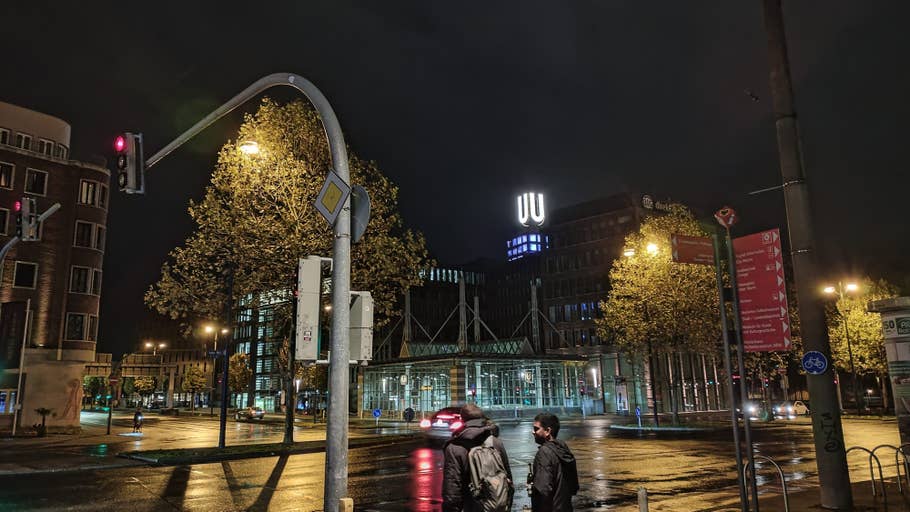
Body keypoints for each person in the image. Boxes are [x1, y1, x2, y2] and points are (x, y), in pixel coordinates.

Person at [442, 404, 513, 512]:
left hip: (471, 506)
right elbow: (508, 478)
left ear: (462, 420)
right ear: (482, 418)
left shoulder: (454, 448)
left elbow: (452, 490)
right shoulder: (495, 442)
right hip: (496, 505)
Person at [530, 412, 579, 512]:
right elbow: (574, 486)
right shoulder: (562, 448)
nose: (533, 432)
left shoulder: (544, 452)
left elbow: (543, 489)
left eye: (536, 429)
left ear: (548, 431)